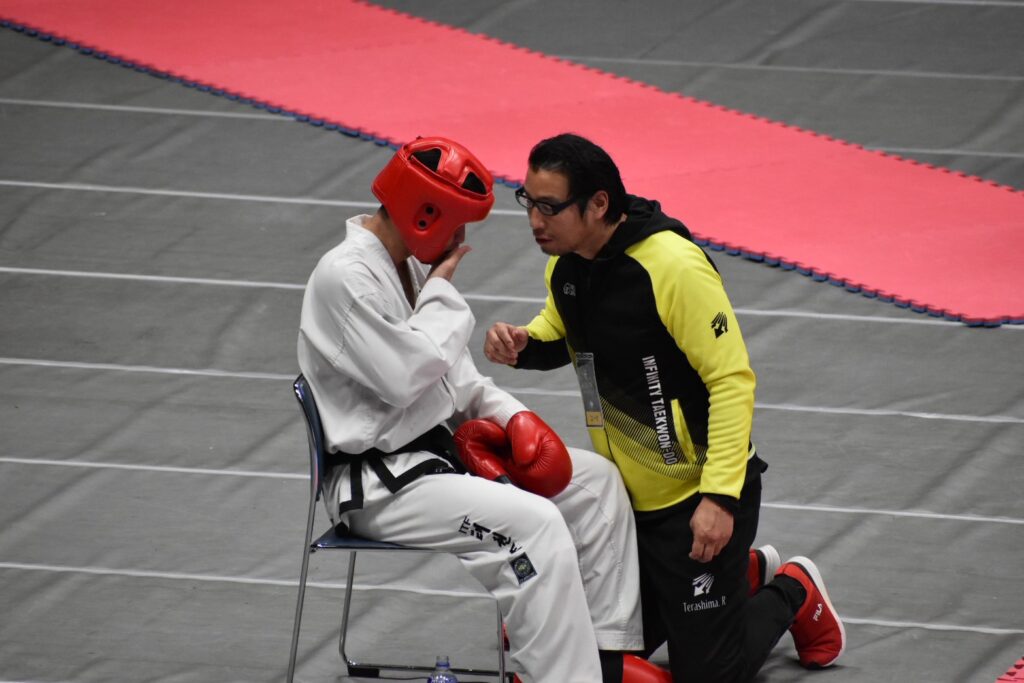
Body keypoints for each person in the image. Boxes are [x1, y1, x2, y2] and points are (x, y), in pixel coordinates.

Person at [296, 136, 672, 683]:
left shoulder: (405, 269)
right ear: (425, 215)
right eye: (457, 225)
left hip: (434, 462)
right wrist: (442, 290)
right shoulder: (345, 277)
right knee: (535, 527)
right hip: (382, 485)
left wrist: (515, 418)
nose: (461, 240)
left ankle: (604, 659)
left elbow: (460, 381)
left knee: (597, 486)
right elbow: (406, 375)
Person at [483, 133, 846, 682]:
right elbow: (564, 330)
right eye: (528, 202)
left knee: (707, 677)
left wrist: (719, 498)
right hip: (625, 512)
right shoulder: (567, 266)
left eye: (549, 207)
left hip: (695, 506)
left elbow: (731, 381)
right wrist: (524, 343)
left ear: (598, 203)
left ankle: (793, 590)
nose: (535, 220)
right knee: (566, 646)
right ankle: (741, 575)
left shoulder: (672, 267)